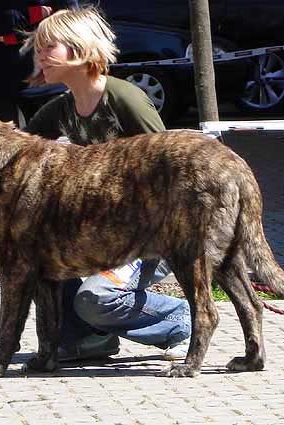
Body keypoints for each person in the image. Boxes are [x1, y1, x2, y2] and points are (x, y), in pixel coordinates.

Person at [25, 7, 191, 361]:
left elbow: (169, 168)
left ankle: (180, 319)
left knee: (96, 299)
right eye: (38, 47)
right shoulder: (62, 107)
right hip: (101, 235)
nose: (39, 55)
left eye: (48, 46)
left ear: (79, 48)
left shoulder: (125, 99)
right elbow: (15, 150)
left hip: (149, 235)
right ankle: (91, 340)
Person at [0, 0, 78, 291]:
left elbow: (69, 14)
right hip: (2, 79)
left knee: (56, 170)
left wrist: (12, 28)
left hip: (48, 81)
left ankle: (56, 249)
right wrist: (33, 16)